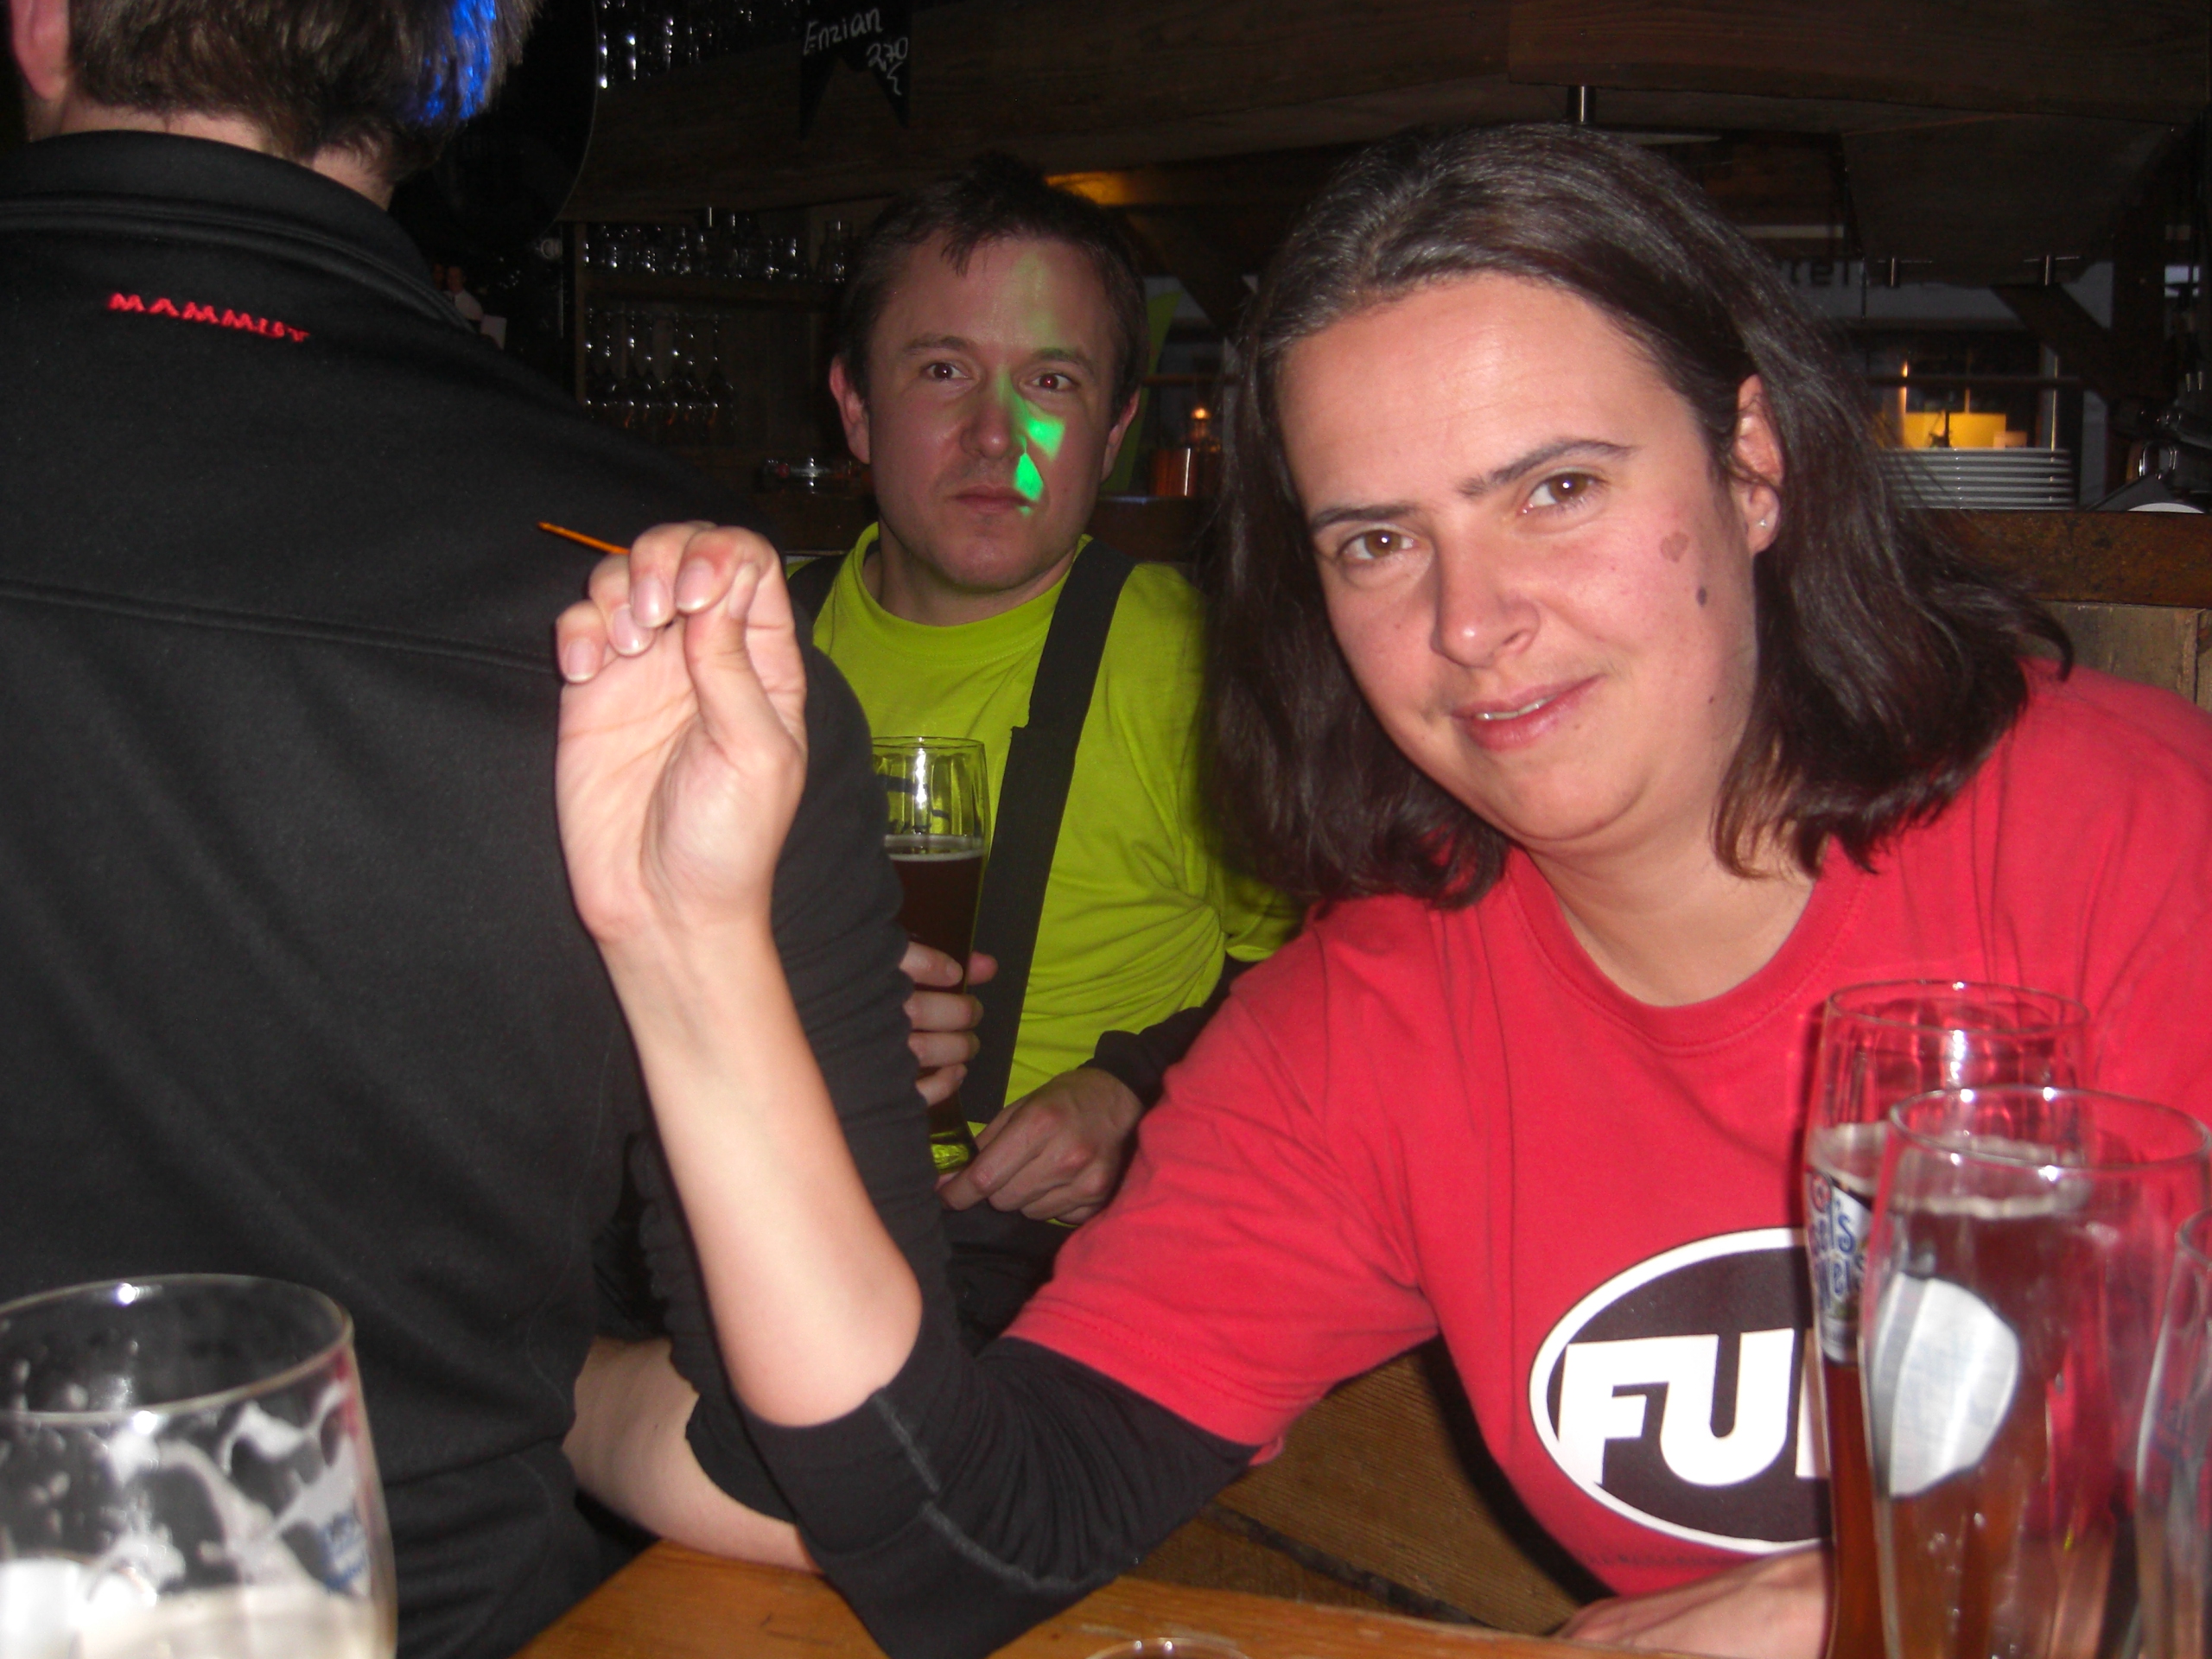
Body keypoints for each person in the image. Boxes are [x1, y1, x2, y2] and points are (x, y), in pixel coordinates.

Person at [551, 123, 2212, 1659]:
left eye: (1557, 489)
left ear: (1752, 462)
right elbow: (967, 1531)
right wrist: (687, 942)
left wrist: (1891, 1601)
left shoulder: (2133, 840)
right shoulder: (1367, 1025)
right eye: (1376, 542)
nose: (1470, 622)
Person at [0, 2, 953, 1655]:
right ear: (468, 65)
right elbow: (834, 1487)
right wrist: (502, 1376)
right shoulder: (670, 621)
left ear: (38, 22)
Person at [780, 154, 1296, 1325]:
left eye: (1051, 382)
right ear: (855, 408)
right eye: (943, 370)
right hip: (742, 1222)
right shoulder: (742, 641)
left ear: (1112, 432)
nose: (993, 435)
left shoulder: (1198, 670)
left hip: (1035, 1284)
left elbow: (1336, 975)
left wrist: (1138, 1094)